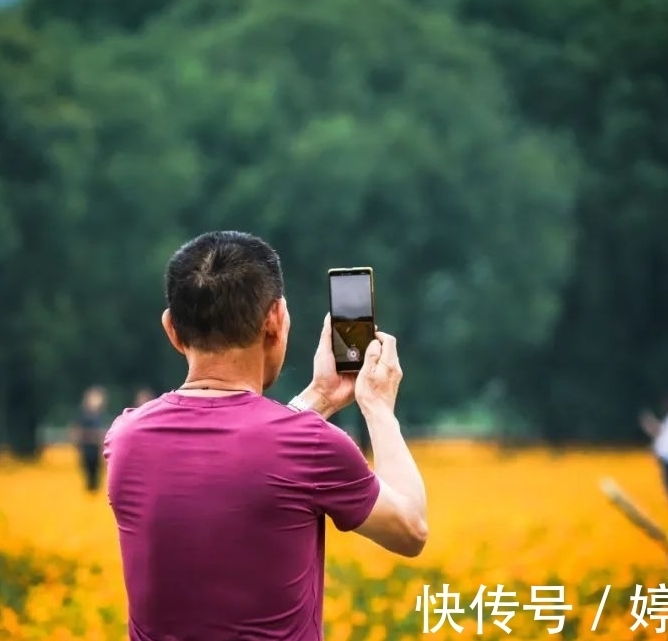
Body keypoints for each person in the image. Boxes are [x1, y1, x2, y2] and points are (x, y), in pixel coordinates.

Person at [103, 231, 428, 641]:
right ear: (274, 320)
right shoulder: (309, 445)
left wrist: (320, 397)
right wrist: (377, 407)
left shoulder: (125, 438)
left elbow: (243, 452)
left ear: (172, 328)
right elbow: (410, 528)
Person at [69, 385, 109, 493]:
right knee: (90, 480)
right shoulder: (84, 416)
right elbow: (76, 433)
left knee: (96, 480)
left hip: (96, 452)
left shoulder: (99, 416)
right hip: (87, 452)